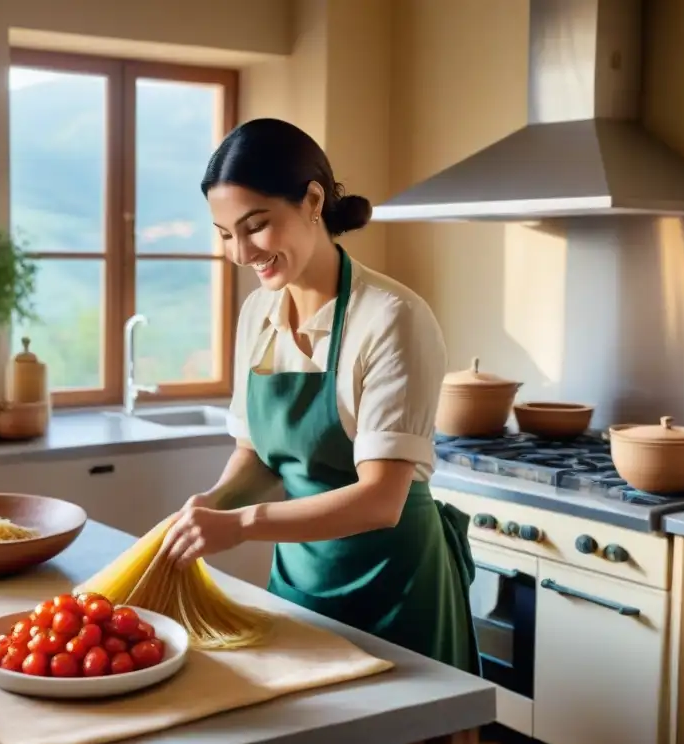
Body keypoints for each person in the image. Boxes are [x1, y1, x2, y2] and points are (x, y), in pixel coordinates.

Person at [161, 117, 479, 673]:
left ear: (312, 201)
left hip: (396, 590)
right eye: (224, 233)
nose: (240, 253)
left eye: (255, 226)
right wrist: (213, 503)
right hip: (300, 582)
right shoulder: (257, 313)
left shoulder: (391, 318)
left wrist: (239, 525)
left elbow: (382, 500)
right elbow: (259, 457)